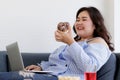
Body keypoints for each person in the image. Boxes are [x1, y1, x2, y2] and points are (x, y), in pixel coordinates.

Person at [25, 6, 115, 80]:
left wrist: (70, 42)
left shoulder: (98, 41)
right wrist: (41, 68)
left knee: (16, 77)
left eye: (84, 19)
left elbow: (90, 68)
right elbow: (55, 62)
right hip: (50, 75)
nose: (79, 22)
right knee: (17, 74)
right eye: (77, 20)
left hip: (65, 78)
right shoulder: (74, 43)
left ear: (95, 24)